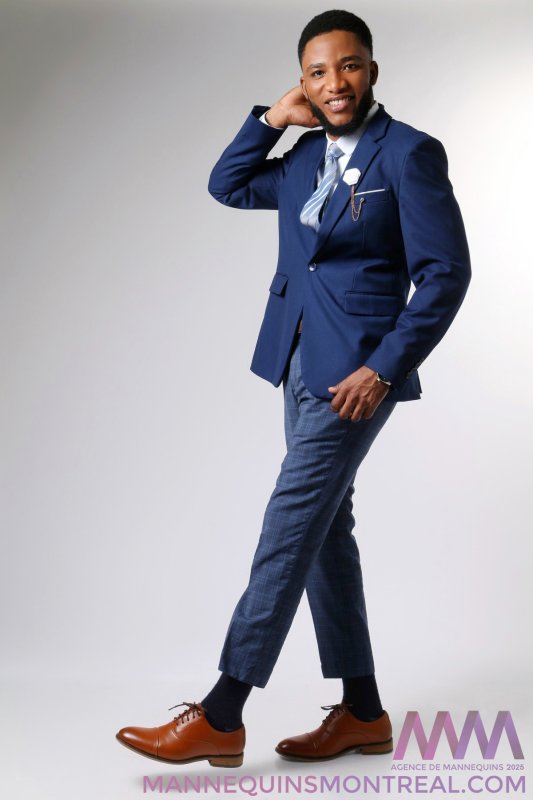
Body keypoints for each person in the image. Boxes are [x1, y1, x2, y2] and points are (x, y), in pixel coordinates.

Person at [116, 9, 471, 767]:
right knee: (322, 530)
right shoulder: (303, 154)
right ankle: (364, 712)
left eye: (348, 66)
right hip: (296, 357)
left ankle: (222, 711)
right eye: (317, 72)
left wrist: (383, 368)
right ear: (303, 83)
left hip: (357, 374)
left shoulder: (408, 153)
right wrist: (270, 119)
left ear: (371, 71)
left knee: (288, 524)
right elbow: (227, 185)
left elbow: (446, 274)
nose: (334, 83)